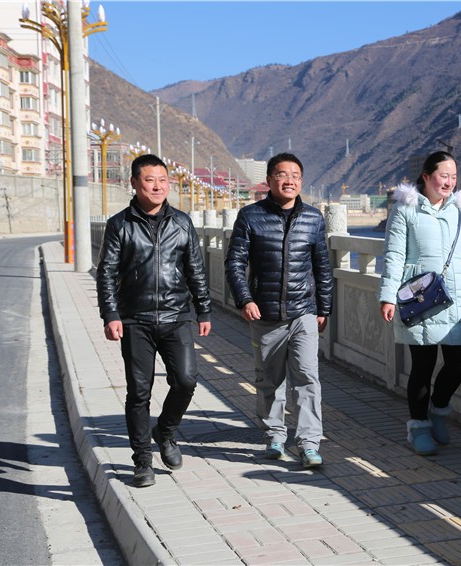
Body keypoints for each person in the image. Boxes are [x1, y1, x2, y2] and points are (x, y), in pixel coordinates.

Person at [96, 154, 212, 488]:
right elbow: (107, 272)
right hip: (136, 319)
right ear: (135, 183)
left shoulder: (182, 223)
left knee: (186, 380)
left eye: (162, 180)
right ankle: (142, 461)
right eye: (149, 180)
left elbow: (195, 268)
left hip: (176, 316)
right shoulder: (120, 224)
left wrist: (203, 309)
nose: (157, 186)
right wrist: (111, 314)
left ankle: (166, 431)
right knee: (139, 392)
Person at [225, 152, 333, 468]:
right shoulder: (250, 216)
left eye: (295, 175)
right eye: (283, 175)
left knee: (307, 378)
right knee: (269, 380)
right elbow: (235, 262)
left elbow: (322, 266)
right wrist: (245, 299)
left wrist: (324, 308)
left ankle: (309, 444)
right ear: (269, 180)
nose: (290, 181)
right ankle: (274, 435)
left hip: (304, 312)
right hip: (265, 313)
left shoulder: (313, 218)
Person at [378, 151, 461, 456]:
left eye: (453, 176)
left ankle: (439, 410)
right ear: (426, 176)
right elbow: (394, 254)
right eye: (443, 175)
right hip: (420, 297)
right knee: (423, 366)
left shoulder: (459, 209)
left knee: (460, 360)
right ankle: (419, 427)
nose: (449, 182)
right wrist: (388, 295)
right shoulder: (405, 209)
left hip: (456, 296)